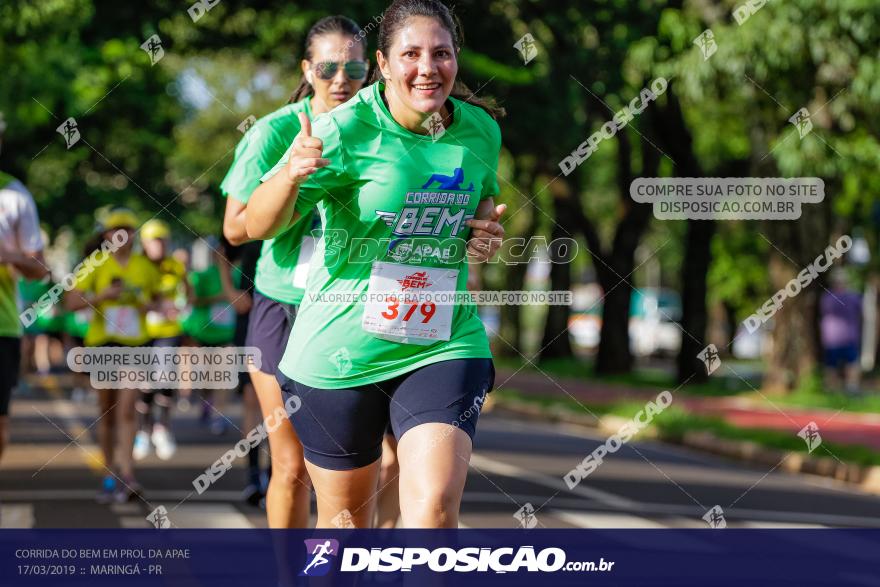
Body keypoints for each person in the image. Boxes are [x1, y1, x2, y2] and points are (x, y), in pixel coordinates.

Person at [247, 0, 506, 528]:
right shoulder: (344, 131)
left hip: (442, 340)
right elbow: (257, 224)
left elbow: (481, 201)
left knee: (433, 509)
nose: (428, 67)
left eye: (442, 53)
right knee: (345, 530)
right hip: (341, 350)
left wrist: (484, 235)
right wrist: (289, 175)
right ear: (384, 65)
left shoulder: (480, 130)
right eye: (411, 54)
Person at [220, 15, 371, 527]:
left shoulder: (384, 130)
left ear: (370, 69)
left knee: (379, 463)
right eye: (328, 67)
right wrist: (290, 183)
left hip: (357, 308)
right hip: (284, 306)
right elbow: (236, 229)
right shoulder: (276, 130)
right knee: (292, 466)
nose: (341, 79)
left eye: (354, 66)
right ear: (307, 69)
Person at [65, 208, 160, 502]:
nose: (121, 235)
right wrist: (101, 297)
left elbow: (159, 301)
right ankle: (110, 474)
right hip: (103, 344)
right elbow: (71, 303)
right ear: (105, 235)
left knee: (128, 408)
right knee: (107, 413)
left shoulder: (145, 266)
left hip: (135, 344)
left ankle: (128, 473)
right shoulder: (93, 265)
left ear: (134, 234)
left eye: (127, 230)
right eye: (114, 230)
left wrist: (146, 304)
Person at [0, 119, 49, 463]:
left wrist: (10, 256)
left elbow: (39, 270)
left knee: (0, 422)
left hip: (2, 326)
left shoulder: (14, 194)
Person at [134, 219, 189, 461]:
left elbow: (187, 292)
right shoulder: (137, 265)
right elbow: (133, 296)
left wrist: (181, 306)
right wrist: (153, 305)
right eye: (152, 241)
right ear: (144, 243)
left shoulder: (174, 266)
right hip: (142, 332)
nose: (157, 245)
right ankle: (143, 431)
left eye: (161, 240)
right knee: (145, 385)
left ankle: (162, 429)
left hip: (168, 331)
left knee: (166, 380)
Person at [820, 268, 863, 395]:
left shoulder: (826, 298)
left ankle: (836, 390)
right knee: (848, 364)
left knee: (835, 365)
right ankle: (849, 389)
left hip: (833, 338)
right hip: (842, 337)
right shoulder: (853, 297)